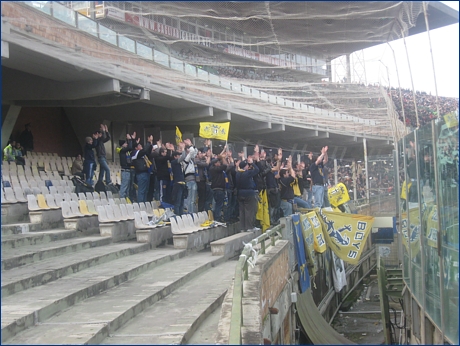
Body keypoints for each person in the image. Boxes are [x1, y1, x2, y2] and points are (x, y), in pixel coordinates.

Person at [236, 156, 260, 232]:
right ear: (245, 167)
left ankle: (242, 228)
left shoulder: (238, 173)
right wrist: (252, 163)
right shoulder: (247, 173)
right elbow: (257, 170)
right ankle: (249, 227)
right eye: (247, 165)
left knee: (242, 211)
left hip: (240, 193)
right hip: (249, 193)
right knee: (249, 210)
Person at [209, 146, 229, 222]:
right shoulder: (215, 169)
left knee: (217, 204)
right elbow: (225, 165)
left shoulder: (214, 168)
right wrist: (222, 158)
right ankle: (217, 218)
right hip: (218, 189)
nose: (219, 163)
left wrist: (221, 155)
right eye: (217, 162)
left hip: (216, 189)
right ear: (215, 164)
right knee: (218, 204)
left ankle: (217, 217)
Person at [131, 138, 152, 203]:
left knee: (146, 190)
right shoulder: (135, 153)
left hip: (146, 172)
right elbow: (144, 151)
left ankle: (144, 203)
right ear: (136, 148)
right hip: (141, 173)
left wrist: (150, 144)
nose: (141, 147)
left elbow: (147, 151)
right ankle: (140, 204)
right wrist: (148, 142)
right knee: (141, 190)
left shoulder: (142, 155)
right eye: (140, 146)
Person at [182, 139, 198, 214]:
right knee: (189, 199)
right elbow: (192, 152)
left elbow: (195, 152)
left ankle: (192, 212)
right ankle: (189, 213)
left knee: (193, 199)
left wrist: (191, 144)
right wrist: (189, 145)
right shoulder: (185, 160)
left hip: (193, 180)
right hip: (188, 180)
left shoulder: (191, 160)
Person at [170, 143, 187, 216]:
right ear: (175, 156)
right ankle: (177, 216)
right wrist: (183, 149)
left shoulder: (180, 164)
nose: (180, 156)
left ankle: (181, 215)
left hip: (182, 183)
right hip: (177, 184)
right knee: (178, 201)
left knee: (182, 201)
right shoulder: (174, 162)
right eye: (178, 155)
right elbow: (183, 157)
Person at [117, 133, 135, 200]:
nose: (126, 144)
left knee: (128, 186)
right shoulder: (122, 150)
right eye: (125, 143)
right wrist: (130, 140)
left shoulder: (126, 151)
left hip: (128, 170)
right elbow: (129, 147)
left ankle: (126, 198)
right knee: (124, 185)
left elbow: (132, 147)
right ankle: (122, 198)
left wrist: (132, 140)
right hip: (124, 170)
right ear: (122, 145)